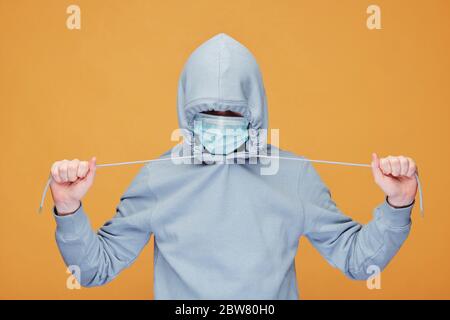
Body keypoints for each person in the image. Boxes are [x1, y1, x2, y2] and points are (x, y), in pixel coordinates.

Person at [49, 33, 418, 299]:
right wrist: (69, 208)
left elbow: (356, 260)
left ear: (254, 109)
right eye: (209, 111)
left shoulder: (294, 175)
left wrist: (397, 205)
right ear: (188, 112)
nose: (221, 119)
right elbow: (95, 269)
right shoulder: (159, 178)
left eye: (234, 111)